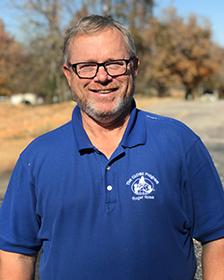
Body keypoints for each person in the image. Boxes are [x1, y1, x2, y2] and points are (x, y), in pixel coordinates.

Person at [0, 14, 224, 280]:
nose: (102, 77)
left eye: (115, 64)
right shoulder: (36, 158)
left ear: (135, 67)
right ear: (68, 74)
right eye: (87, 66)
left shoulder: (180, 144)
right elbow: (17, 254)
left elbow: (218, 237)